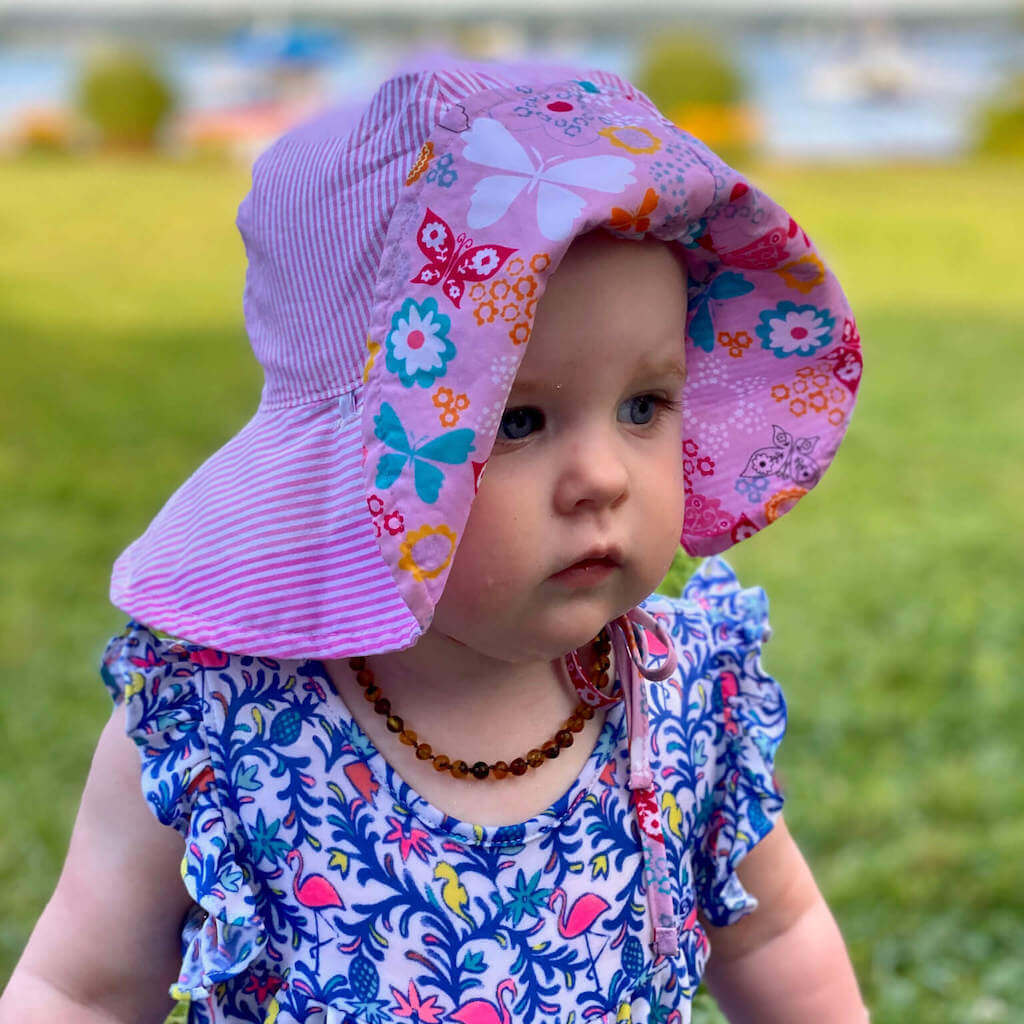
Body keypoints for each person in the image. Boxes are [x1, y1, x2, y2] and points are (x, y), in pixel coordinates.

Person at [1, 55, 869, 1023]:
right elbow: (79, 988)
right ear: (349, 461)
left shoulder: (683, 701)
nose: (604, 476)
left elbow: (774, 932)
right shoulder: (220, 728)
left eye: (642, 404)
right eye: (519, 421)